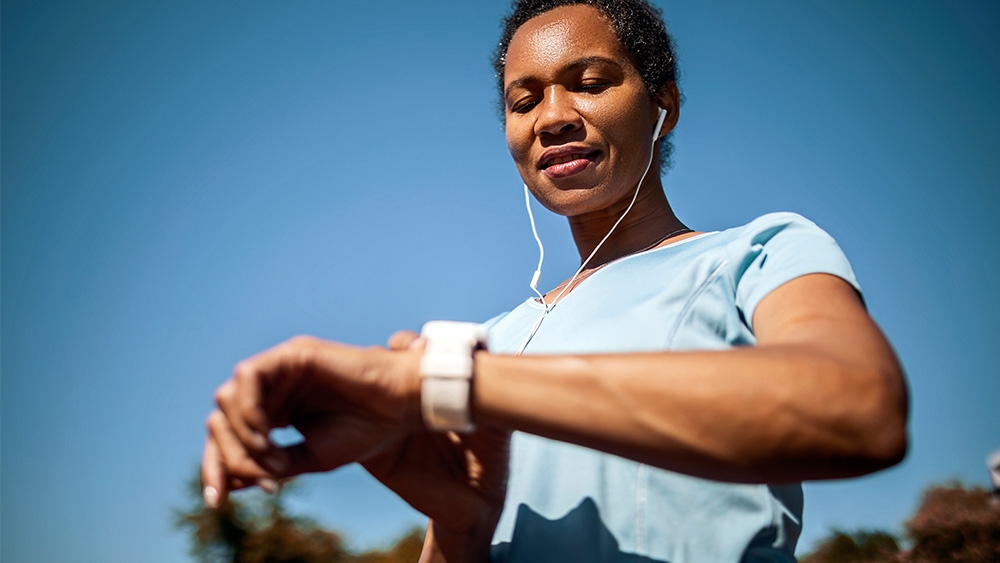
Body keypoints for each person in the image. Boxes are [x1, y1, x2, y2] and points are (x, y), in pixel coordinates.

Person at [201, 1, 909, 561]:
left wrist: (445, 384)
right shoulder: (492, 341)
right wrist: (459, 522)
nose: (554, 119)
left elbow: (860, 408)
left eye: (591, 83)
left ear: (664, 104)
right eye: (523, 100)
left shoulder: (759, 253)